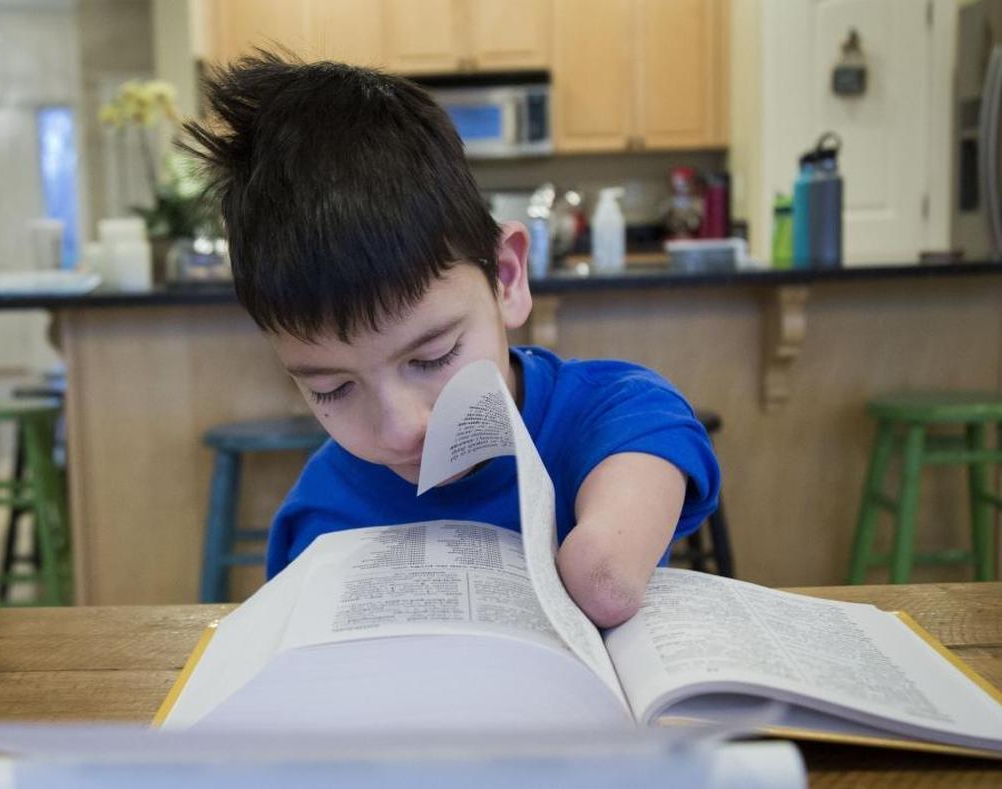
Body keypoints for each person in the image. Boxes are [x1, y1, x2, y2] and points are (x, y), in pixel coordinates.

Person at [184, 52, 720, 628]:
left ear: (507, 278)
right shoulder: (320, 517)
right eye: (333, 390)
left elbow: (607, 583)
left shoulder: (614, 413)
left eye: (432, 356)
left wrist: (597, 564)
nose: (400, 428)